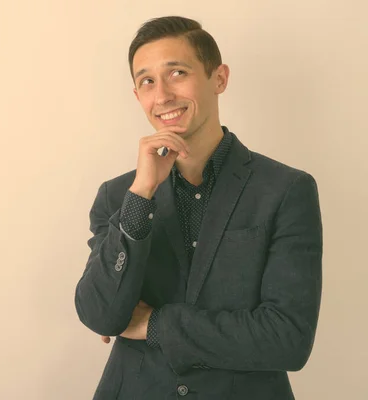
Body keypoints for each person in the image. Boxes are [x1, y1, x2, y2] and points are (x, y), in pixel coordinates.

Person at [74, 16, 322, 400]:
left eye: (177, 72)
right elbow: (100, 315)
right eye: (147, 81)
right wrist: (142, 194)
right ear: (137, 94)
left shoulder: (286, 190)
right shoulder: (119, 195)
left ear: (219, 78)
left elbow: (287, 339)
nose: (163, 95)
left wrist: (154, 324)